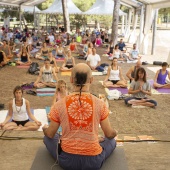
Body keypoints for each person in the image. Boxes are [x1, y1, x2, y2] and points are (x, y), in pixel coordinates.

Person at [42, 63, 117, 170]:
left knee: (47, 138)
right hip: (94, 162)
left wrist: (45, 129)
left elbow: (50, 134)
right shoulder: (100, 104)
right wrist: (115, 133)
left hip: (68, 161)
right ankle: (94, 140)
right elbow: (109, 134)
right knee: (112, 141)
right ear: (91, 80)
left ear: (71, 80)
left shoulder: (59, 104)